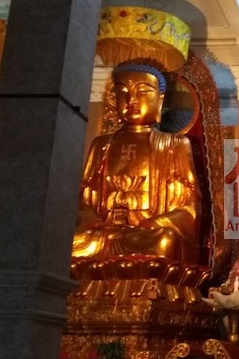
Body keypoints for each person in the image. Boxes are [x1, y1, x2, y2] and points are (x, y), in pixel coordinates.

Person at [72, 62, 200, 265]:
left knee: (164, 240)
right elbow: (85, 200)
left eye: (142, 92)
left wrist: (155, 222)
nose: (131, 101)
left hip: (145, 234)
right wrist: (92, 220)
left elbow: (190, 207)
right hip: (105, 233)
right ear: (114, 99)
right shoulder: (102, 144)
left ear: (159, 100)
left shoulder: (174, 145)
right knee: (73, 243)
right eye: (123, 93)